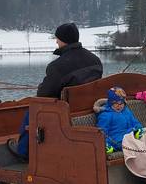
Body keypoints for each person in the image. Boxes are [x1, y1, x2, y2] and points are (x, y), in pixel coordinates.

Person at [7, 22, 103, 160]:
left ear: (63, 40)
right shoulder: (95, 60)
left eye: (57, 38)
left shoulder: (57, 66)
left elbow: (43, 94)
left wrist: (42, 87)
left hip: (66, 112)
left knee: (32, 110)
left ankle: (23, 152)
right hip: (89, 108)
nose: (56, 41)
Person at [95, 86, 143, 154]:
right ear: (110, 103)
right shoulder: (106, 115)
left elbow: (134, 121)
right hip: (117, 140)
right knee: (138, 145)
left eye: (121, 103)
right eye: (116, 103)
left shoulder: (126, 111)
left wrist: (138, 128)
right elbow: (102, 133)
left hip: (130, 134)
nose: (119, 106)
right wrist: (106, 143)